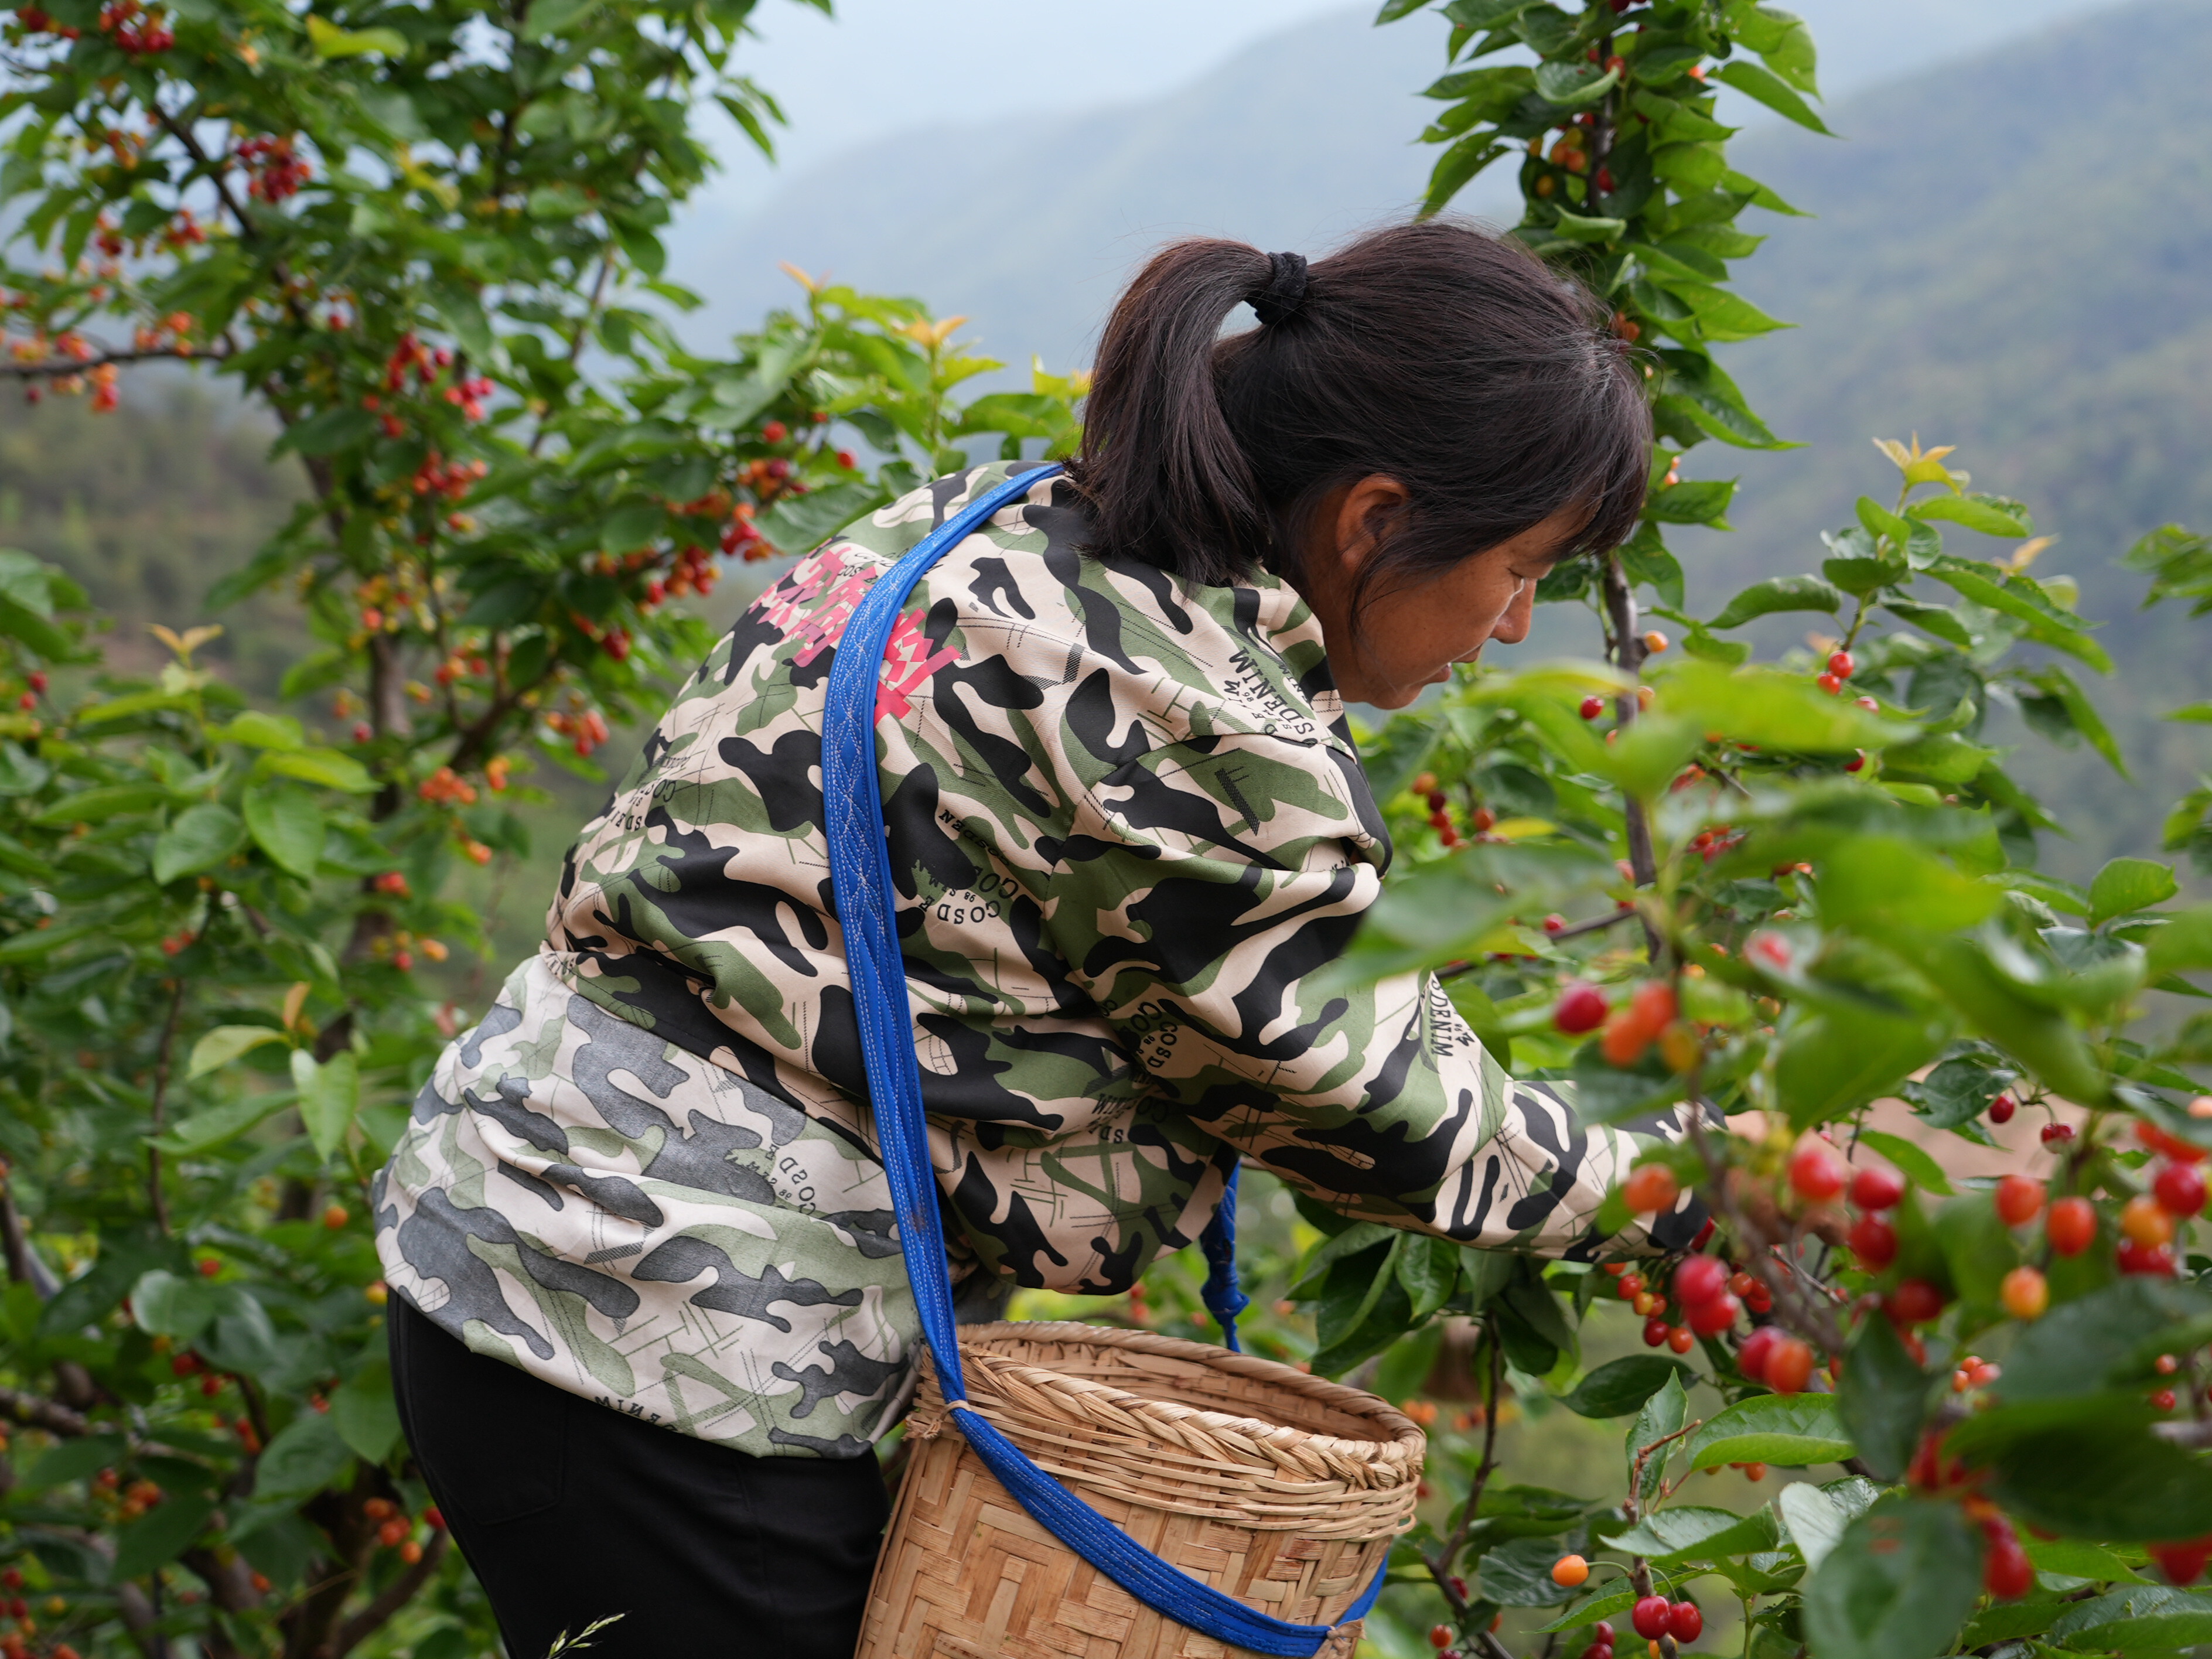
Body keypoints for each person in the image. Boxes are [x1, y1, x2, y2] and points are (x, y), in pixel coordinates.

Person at [374, 220, 1700, 1659]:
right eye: (1519, 568)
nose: (1512, 626)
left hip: (540, 1237)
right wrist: (1697, 1185)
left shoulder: (999, 518)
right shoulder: (1192, 714)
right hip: (669, 1347)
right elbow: (1377, 1105)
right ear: (1374, 519)